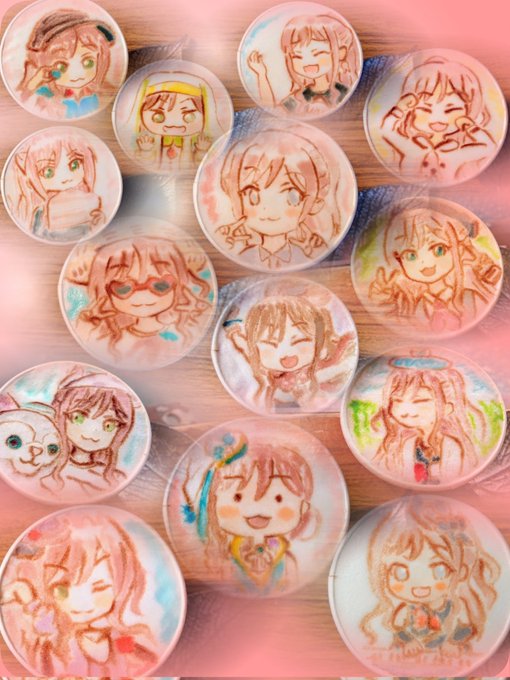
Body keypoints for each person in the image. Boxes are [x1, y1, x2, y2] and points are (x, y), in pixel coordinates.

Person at [361, 497, 500, 662]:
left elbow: (465, 628)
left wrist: (451, 643)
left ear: (461, 572)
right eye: (400, 572)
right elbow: (398, 629)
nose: (420, 586)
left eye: (439, 571)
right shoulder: (405, 610)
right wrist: (409, 642)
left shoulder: (453, 608)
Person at [182, 431, 317, 592]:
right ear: (213, 501)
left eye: (278, 498)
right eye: (237, 497)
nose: (258, 509)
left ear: (303, 507)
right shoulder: (221, 561)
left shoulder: (289, 563)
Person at [217, 129, 340, 268]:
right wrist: (221, 242)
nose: (269, 209)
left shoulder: (306, 254)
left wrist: (320, 252)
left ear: (313, 202)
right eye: (253, 196)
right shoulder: (243, 256)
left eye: (292, 196)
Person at [247, 13, 359, 117]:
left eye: (317, 53)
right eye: (297, 56)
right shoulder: (298, 98)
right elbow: (272, 111)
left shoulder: (344, 91)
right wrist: (262, 75)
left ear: (340, 53)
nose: (308, 62)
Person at [18, 9, 116, 119]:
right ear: (43, 64)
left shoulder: (101, 93)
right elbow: (22, 100)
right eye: (61, 66)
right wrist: (33, 83)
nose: (77, 73)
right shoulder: (46, 94)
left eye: (88, 62)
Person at [12, 131, 104, 241]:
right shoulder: (41, 213)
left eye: (74, 164)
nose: (66, 178)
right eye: (48, 172)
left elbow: (96, 230)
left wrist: (98, 223)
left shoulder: (89, 203)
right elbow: (38, 234)